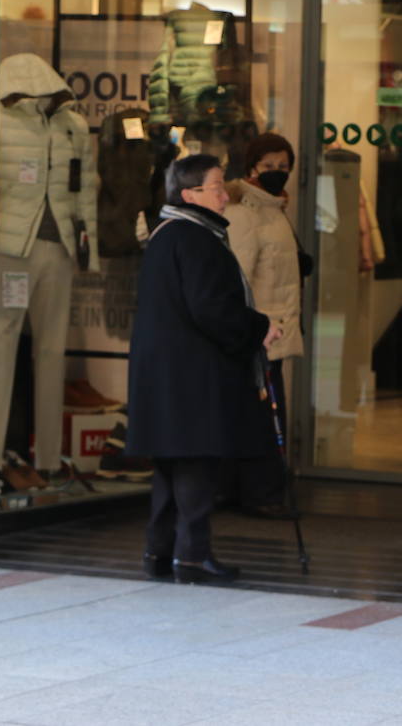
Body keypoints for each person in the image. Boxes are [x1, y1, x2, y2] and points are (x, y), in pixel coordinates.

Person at [126, 154, 283, 584]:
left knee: (171, 468)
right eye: (216, 186)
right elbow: (212, 309)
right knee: (195, 468)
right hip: (191, 377)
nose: (223, 194)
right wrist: (260, 326)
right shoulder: (196, 238)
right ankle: (192, 555)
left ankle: (159, 551)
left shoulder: (167, 235)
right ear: (189, 194)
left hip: (167, 376)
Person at [224, 133, 306, 519]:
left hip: (276, 326)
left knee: (264, 410)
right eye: (268, 167)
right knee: (264, 413)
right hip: (260, 331)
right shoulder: (244, 212)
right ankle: (261, 493)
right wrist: (250, 327)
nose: (276, 174)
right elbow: (237, 277)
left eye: (283, 167)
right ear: (251, 167)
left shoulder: (276, 209)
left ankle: (263, 491)